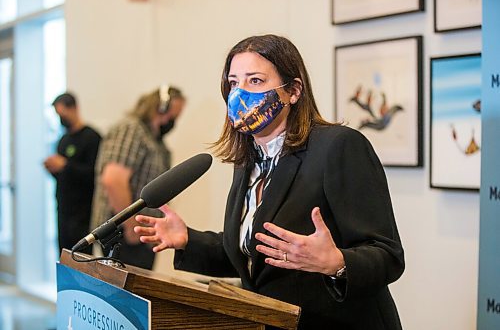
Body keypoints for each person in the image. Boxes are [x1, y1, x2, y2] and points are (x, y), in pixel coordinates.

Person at [134, 35, 405, 329]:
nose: (239, 94)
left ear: (293, 91)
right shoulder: (250, 160)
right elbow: (259, 255)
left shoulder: (339, 146)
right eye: (234, 83)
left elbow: (387, 255)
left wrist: (336, 262)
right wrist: (189, 239)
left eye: (255, 81)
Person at [91, 85, 186, 270]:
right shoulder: (132, 130)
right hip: (124, 235)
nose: (173, 121)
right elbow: (113, 180)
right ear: (161, 108)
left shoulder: (155, 141)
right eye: (173, 115)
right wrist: (130, 226)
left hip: (139, 236)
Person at [44, 92, 101, 255]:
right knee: (63, 254)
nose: (60, 119)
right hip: (63, 209)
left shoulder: (91, 138)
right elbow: (63, 177)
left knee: (81, 257)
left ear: (74, 108)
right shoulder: (63, 140)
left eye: (62, 114)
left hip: (83, 212)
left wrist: (66, 165)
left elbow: (94, 174)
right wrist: (53, 169)